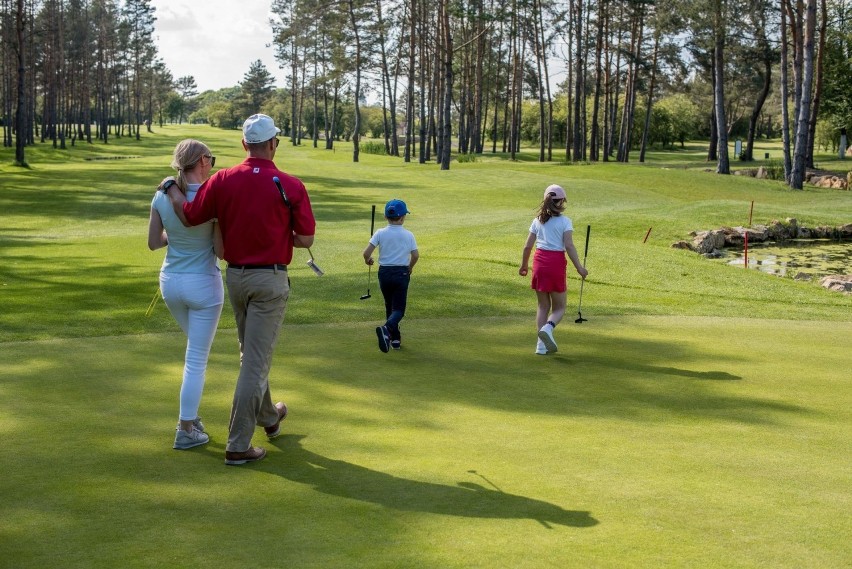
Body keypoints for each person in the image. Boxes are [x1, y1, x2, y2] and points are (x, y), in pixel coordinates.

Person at [164, 114, 316, 465]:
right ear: (274, 143)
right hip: (270, 281)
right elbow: (306, 238)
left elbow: (189, 215)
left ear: (245, 144)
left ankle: (270, 418)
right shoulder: (290, 184)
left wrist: (171, 188)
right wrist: (280, 236)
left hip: (235, 278)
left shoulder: (222, 179)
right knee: (255, 363)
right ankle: (237, 445)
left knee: (252, 354)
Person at [148, 139, 224, 450]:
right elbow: (220, 250)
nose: (213, 164)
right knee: (196, 360)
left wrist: (177, 235)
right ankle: (186, 426)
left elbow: (155, 242)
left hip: (171, 284)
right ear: (202, 162)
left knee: (194, 353)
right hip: (203, 286)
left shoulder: (161, 195)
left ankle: (191, 419)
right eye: (212, 159)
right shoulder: (213, 199)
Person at [518, 184, 588, 355]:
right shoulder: (565, 221)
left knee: (543, 306)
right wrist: (580, 268)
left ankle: (540, 346)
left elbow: (528, 247)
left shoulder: (537, 221)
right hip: (555, 263)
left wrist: (524, 265)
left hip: (539, 263)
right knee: (559, 308)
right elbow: (569, 246)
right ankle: (548, 328)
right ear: (561, 202)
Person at [363, 199, 419, 353]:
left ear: (386, 217)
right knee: (399, 310)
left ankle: (394, 339)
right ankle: (386, 328)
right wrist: (410, 267)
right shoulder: (408, 235)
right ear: (402, 217)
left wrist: (368, 260)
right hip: (401, 273)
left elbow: (366, 253)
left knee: (390, 306)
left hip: (384, 274)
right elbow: (415, 255)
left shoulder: (380, 233)